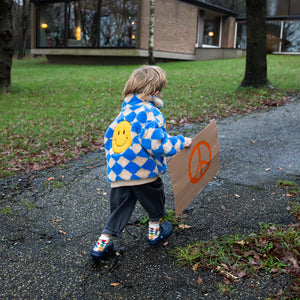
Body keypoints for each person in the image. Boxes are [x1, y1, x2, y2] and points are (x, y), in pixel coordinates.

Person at [90, 65, 192, 259]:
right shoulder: (150, 112)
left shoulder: (121, 116)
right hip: (143, 172)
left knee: (119, 210)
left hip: (119, 175)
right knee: (155, 204)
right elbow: (156, 143)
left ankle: (101, 245)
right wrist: (180, 142)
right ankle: (155, 233)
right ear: (155, 91)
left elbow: (108, 142)